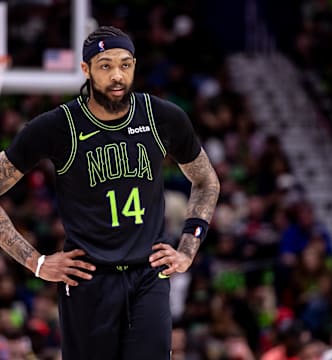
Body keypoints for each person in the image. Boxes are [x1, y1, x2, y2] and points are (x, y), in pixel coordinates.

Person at [0, 26, 220, 360]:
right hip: (88, 281)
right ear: (86, 69)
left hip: (148, 276)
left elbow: (207, 181)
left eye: (125, 64)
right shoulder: (58, 126)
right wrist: (36, 261)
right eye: (105, 65)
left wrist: (188, 248)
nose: (117, 75)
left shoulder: (162, 117)